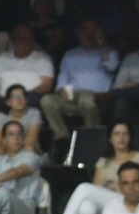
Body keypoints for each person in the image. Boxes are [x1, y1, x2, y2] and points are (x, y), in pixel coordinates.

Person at [27, 121, 139, 214]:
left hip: (132, 202)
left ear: (130, 137)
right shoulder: (104, 161)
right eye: (117, 134)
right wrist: (108, 189)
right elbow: (96, 189)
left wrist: (121, 188)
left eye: (125, 134)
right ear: (110, 138)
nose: (121, 137)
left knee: (84, 188)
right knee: (86, 207)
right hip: (110, 203)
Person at [39, 17, 117, 152]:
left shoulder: (108, 52)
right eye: (85, 29)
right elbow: (61, 84)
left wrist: (102, 43)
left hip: (99, 99)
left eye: (92, 30)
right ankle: (63, 140)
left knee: (86, 100)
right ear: (78, 32)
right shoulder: (70, 55)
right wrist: (64, 93)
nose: (88, 33)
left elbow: (112, 66)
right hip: (73, 98)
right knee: (47, 100)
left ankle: (90, 145)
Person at [0, 23, 54, 117]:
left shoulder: (43, 59)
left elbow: (46, 85)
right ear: (12, 41)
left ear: (32, 40)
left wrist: (20, 96)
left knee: (34, 99)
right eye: (19, 38)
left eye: (27, 38)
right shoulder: (1, 58)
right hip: (4, 101)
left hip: (28, 99)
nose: (23, 41)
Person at [0, 84, 43, 159]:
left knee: (29, 148)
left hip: (28, 150)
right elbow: (0, 142)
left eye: (21, 96)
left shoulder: (34, 113)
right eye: (14, 97)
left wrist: (12, 147)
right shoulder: (1, 116)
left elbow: (31, 139)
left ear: (26, 100)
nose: (18, 100)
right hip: (7, 150)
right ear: (8, 102)